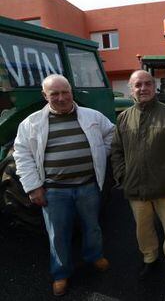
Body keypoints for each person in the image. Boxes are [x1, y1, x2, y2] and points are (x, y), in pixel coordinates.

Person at [13, 74, 114, 296]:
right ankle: (61, 273)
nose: (61, 97)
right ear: (44, 96)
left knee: (92, 227)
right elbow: (22, 155)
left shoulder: (92, 116)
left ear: (71, 91)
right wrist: (33, 187)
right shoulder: (30, 124)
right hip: (54, 191)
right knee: (57, 235)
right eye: (54, 94)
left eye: (64, 92)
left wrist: (100, 152)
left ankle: (94, 256)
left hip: (88, 186)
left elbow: (111, 135)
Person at [111, 70, 165, 283]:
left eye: (147, 84)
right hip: (135, 186)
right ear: (131, 89)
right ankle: (150, 258)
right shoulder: (123, 118)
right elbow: (116, 150)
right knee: (143, 228)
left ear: (154, 87)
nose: (143, 88)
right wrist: (122, 175)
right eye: (138, 85)